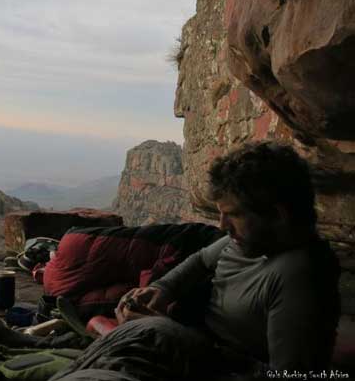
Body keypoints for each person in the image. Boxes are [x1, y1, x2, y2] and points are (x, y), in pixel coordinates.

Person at [52, 142, 341, 381]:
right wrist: (161, 290)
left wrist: (177, 335)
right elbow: (200, 261)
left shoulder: (299, 275)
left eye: (234, 215)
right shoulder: (250, 241)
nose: (222, 225)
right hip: (180, 345)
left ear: (278, 215)